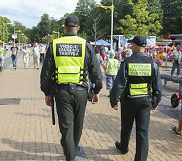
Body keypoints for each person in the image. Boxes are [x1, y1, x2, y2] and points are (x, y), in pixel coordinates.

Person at [40, 15, 103, 161]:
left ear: (64, 27)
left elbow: (46, 73)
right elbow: (95, 71)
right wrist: (96, 91)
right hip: (81, 91)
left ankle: (70, 155)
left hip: (61, 92)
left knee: (66, 129)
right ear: (78, 28)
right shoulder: (85, 45)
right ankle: (72, 150)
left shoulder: (55, 44)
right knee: (78, 126)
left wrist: (47, 93)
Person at [110, 36, 162, 161]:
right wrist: (155, 101)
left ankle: (123, 147)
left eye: (131, 44)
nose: (130, 46)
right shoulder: (152, 63)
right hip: (145, 102)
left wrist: (114, 100)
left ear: (136, 45)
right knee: (142, 131)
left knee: (126, 126)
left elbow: (120, 83)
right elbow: (157, 86)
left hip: (129, 100)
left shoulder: (127, 62)